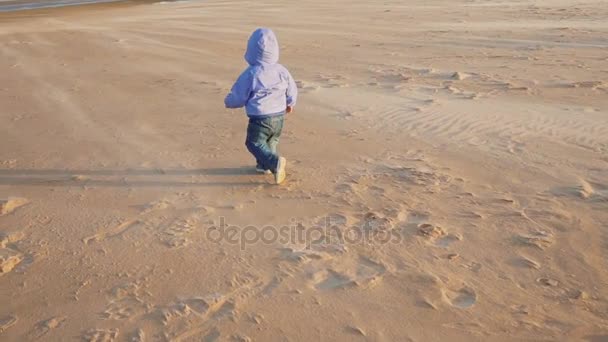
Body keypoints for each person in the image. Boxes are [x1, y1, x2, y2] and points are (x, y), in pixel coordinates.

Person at [224, 28, 298, 185]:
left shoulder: (252, 73)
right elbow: (292, 87)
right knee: (271, 141)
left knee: (254, 142)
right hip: (279, 116)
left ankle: (274, 162)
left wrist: (229, 101)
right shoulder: (281, 70)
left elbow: (239, 94)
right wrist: (290, 102)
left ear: (250, 51)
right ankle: (264, 165)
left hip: (260, 118)